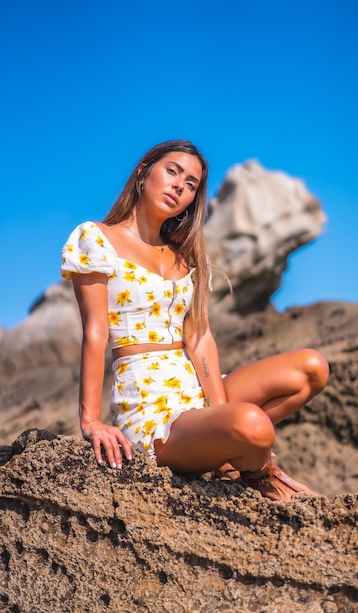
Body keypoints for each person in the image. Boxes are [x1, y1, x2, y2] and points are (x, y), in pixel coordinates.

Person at [61, 139, 329, 501]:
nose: (179, 187)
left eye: (191, 185)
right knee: (255, 427)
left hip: (196, 391)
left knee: (312, 368)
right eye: (172, 172)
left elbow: (200, 338)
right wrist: (91, 421)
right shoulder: (97, 239)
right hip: (151, 408)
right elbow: (94, 332)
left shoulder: (184, 257)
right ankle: (259, 471)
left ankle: (224, 447)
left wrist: (220, 412)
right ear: (144, 172)